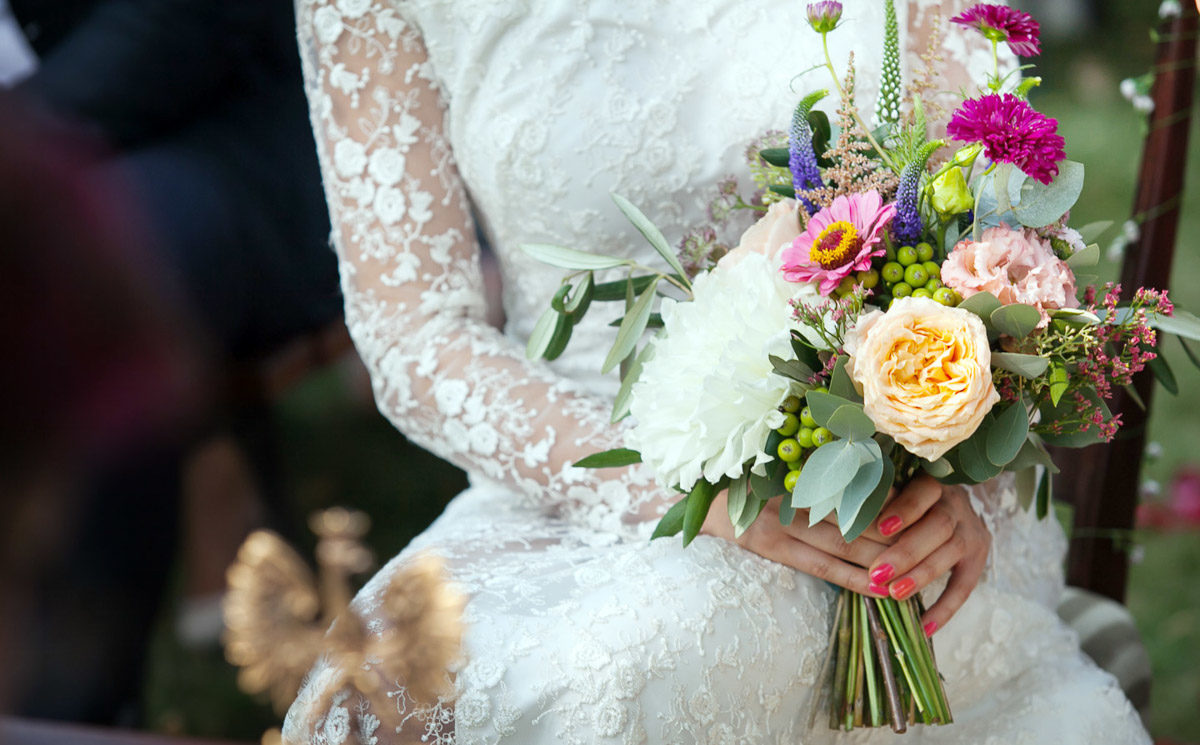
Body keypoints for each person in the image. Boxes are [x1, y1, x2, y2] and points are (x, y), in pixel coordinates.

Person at [283, 1, 1151, 743]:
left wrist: (952, 459)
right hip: (567, 469)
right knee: (373, 697)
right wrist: (690, 491)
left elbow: (994, 225)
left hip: (875, 486)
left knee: (627, 669)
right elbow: (415, 333)